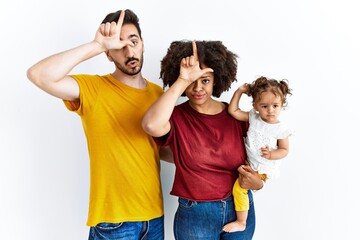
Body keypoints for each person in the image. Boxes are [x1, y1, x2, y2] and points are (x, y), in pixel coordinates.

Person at [26, 9, 172, 240]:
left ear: (142, 44)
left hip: (154, 216)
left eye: (133, 41)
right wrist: (97, 44)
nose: (129, 51)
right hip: (114, 222)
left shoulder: (158, 94)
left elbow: (158, 148)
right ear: (108, 55)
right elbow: (39, 75)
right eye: (118, 46)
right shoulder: (93, 88)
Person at [142, 40, 264, 240]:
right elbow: (150, 126)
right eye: (192, 81)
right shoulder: (175, 117)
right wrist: (183, 79)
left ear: (217, 80)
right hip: (195, 215)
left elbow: (261, 154)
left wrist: (259, 183)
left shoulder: (235, 116)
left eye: (205, 80)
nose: (198, 88)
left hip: (240, 208)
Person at [223, 76, 293, 232]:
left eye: (275, 105)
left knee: (239, 189)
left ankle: (241, 222)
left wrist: (271, 154)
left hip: (261, 167)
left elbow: (284, 150)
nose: (270, 110)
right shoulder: (254, 118)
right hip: (250, 162)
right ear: (255, 106)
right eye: (264, 106)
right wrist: (239, 91)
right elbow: (232, 110)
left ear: (282, 105)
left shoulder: (281, 129)